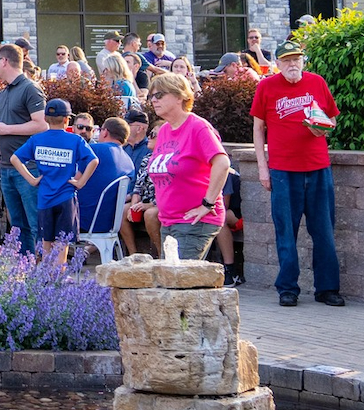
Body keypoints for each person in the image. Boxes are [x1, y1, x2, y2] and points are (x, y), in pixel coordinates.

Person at [251, 39, 344, 307]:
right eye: (287, 60)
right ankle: (287, 288)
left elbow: (332, 119)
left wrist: (323, 127)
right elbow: (258, 129)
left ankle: (327, 289)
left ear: (303, 61)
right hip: (282, 170)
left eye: (297, 59)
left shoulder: (317, 82)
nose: (293, 64)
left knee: (324, 231)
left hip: (318, 167)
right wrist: (262, 168)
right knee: (286, 232)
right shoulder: (266, 86)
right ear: (277, 64)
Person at [144, 70, 231, 261]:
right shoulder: (165, 130)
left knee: (179, 282)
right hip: (169, 221)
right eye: (151, 96)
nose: (154, 100)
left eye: (159, 95)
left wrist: (207, 204)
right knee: (174, 282)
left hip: (194, 221)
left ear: (179, 96)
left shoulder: (197, 127)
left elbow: (222, 163)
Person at [10, 99, 98, 263]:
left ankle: (47, 278)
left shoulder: (37, 140)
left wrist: (31, 179)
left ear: (45, 118)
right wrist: (81, 182)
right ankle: (59, 280)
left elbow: (15, 158)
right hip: (66, 196)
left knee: (46, 241)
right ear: (67, 119)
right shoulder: (75, 140)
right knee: (62, 244)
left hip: (45, 197)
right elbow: (93, 161)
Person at [0, 43, 48, 255]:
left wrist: (6, 128)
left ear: (4, 61)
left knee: (35, 221)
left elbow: (41, 125)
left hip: (28, 167)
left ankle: (45, 271)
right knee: (18, 224)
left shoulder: (30, 88)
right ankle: (28, 268)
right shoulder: (3, 93)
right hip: (6, 167)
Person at [76, 117, 135, 235]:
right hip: (111, 222)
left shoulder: (94, 150)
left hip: (84, 220)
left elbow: (75, 179)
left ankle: (41, 251)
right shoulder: (129, 162)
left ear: (105, 132)